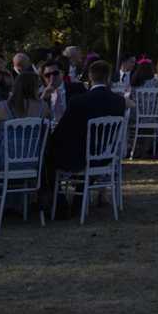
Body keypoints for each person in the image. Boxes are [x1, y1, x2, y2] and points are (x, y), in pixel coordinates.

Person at [40, 59, 127, 211]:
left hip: (80, 157)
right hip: (106, 155)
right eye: (48, 75)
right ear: (107, 78)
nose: (52, 77)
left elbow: (62, 132)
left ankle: (59, 204)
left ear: (90, 78)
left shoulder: (78, 100)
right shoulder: (120, 101)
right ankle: (78, 200)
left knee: (47, 156)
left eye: (55, 73)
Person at [0, 70, 49, 194]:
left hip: (4, 160)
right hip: (33, 161)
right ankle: (21, 200)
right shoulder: (43, 107)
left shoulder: (3, 107)